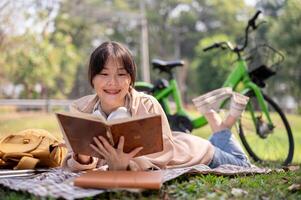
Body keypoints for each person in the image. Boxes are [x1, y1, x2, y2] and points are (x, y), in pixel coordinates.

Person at [63, 41, 251, 172]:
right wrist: (83, 158)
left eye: (121, 74)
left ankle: (220, 125)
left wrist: (127, 165)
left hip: (199, 154)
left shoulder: (147, 104)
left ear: (131, 80)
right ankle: (216, 122)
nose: (113, 82)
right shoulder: (81, 109)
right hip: (182, 139)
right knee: (218, 138)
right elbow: (74, 160)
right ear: (92, 79)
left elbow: (163, 155)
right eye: (104, 74)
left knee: (243, 164)